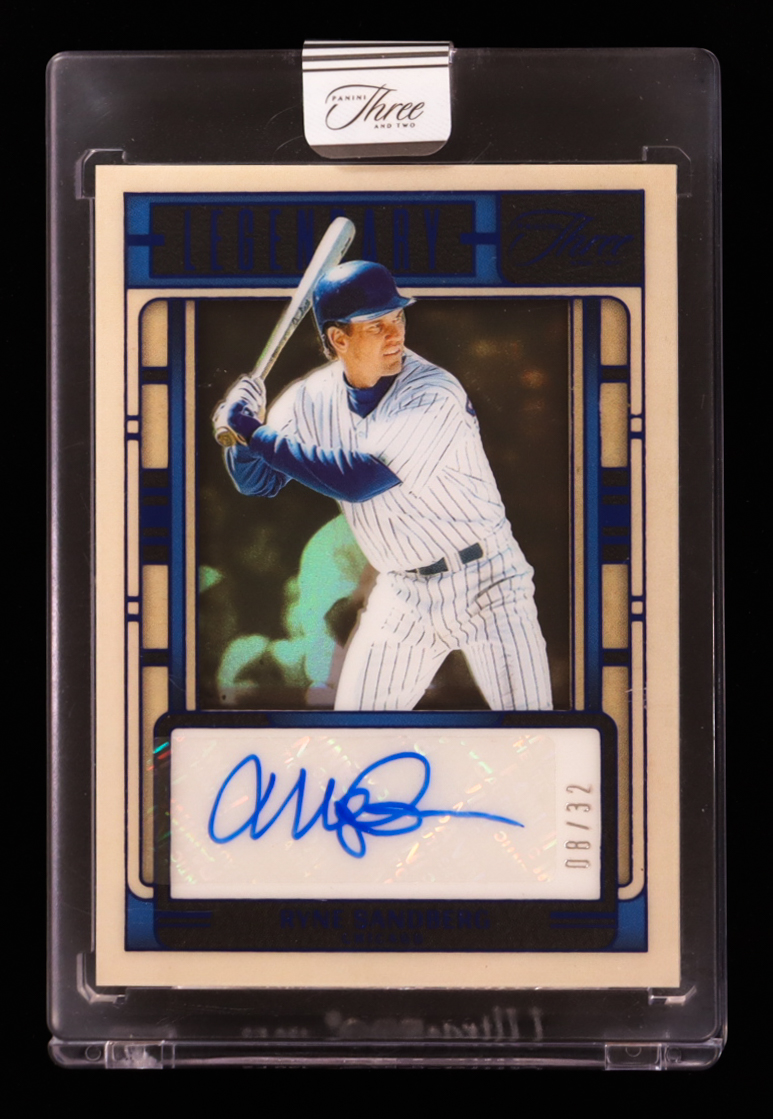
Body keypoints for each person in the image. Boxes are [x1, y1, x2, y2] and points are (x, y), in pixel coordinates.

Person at [213, 260, 553, 711]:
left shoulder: (432, 391)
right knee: (358, 729)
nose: (395, 335)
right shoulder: (310, 398)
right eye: (377, 325)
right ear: (339, 339)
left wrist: (254, 434)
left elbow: (359, 479)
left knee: (530, 727)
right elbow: (256, 482)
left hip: (487, 579)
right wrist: (241, 439)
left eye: (398, 317)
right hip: (403, 592)